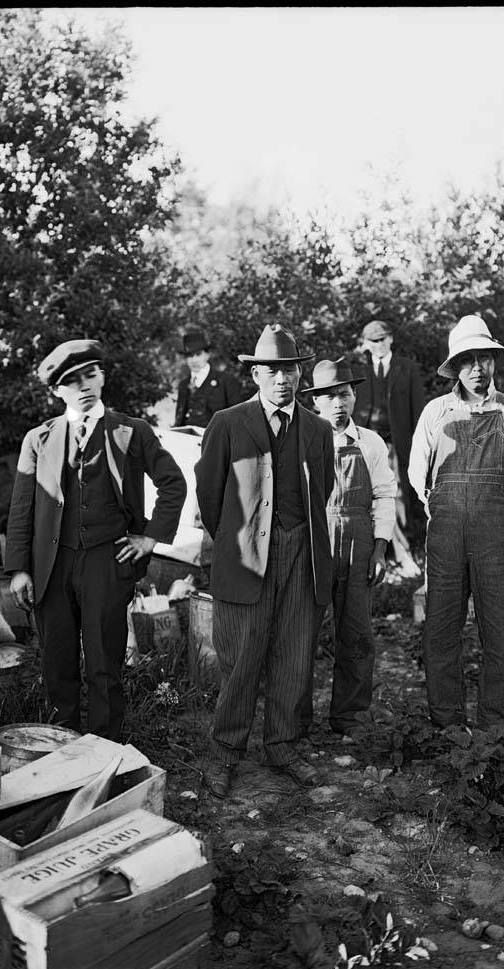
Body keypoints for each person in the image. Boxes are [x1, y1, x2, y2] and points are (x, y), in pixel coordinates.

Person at [5, 339, 186, 740]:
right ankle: (59, 750)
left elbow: (173, 483)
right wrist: (19, 568)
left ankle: (105, 750)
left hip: (108, 561)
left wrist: (149, 538)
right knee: (57, 662)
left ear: (103, 376)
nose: (84, 385)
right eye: (72, 381)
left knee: (105, 664)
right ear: (57, 390)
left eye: (91, 374)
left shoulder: (131, 432)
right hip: (52, 566)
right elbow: (22, 508)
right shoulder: (39, 439)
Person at [194, 324, 334, 797]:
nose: (282, 379)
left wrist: (295, 536)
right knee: (242, 655)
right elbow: (209, 496)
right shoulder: (228, 423)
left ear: (300, 373)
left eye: (290, 369)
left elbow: (325, 489)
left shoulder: (317, 429)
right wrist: (239, 543)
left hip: (303, 551)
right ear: (255, 374)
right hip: (246, 556)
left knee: (294, 653)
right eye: (271, 370)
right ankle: (225, 752)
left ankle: (283, 745)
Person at [408, 315, 504, 736]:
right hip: (446, 535)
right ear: (455, 367)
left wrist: (502, 512)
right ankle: (447, 725)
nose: (477, 369)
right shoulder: (437, 412)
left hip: (499, 538)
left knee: (500, 630)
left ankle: (494, 728)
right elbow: (418, 477)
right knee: (441, 628)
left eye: (483, 359)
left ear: (494, 362)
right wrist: (445, 512)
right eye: (467, 360)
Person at [299, 358, 397, 739]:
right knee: (301, 635)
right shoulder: (306, 438)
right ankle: (295, 721)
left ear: (354, 396)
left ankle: (350, 717)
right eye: (328, 396)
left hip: (358, 543)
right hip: (315, 539)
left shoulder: (370, 442)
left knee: (356, 633)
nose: (337, 403)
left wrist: (379, 548)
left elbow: (384, 495)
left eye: (344, 394)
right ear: (316, 402)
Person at [353, 319, 426, 557]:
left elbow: (418, 409)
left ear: (391, 339)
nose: (379, 345)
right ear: (366, 344)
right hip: (366, 442)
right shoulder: (359, 369)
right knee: (365, 492)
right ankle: (375, 549)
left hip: (397, 442)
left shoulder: (407, 367)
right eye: (373, 341)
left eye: (383, 339)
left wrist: (418, 443)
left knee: (399, 493)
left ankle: (404, 550)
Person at [174, 329, 244, 428]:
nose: (194, 360)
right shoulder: (183, 385)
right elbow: (179, 420)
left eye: (198, 354)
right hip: (188, 439)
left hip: (217, 439)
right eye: (190, 355)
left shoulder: (226, 381)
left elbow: (237, 419)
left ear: (207, 355)